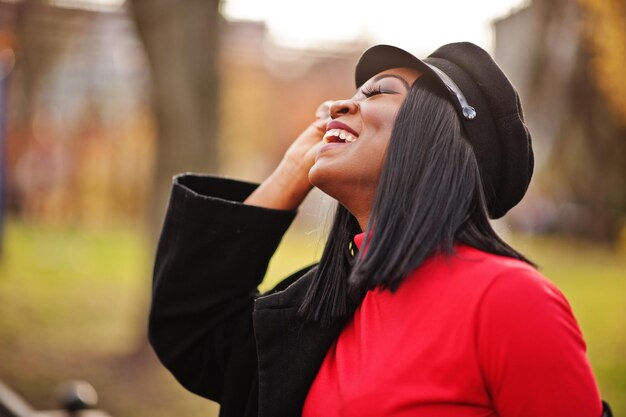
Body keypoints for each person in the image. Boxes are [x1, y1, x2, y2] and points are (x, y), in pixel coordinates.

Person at [148, 43, 609, 417]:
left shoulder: (509, 299)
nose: (338, 104)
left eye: (379, 92)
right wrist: (295, 167)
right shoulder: (318, 306)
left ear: (437, 140)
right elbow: (192, 330)